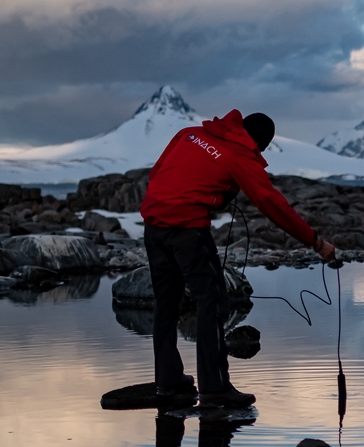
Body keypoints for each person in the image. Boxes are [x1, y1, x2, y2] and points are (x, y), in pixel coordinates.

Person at [140, 109, 336, 408]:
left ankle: (168, 382)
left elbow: (157, 173)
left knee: (167, 302)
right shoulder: (240, 156)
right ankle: (215, 390)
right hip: (188, 229)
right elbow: (272, 204)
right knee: (214, 302)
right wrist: (315, 242)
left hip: (154, 225)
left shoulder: (191, 133)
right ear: (261, 144)